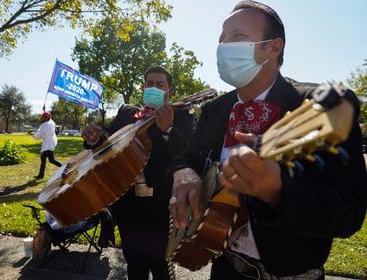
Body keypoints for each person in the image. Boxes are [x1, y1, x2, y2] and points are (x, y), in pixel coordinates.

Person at [168, 1, 367, 279]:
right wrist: (183, 172)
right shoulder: (214, 110)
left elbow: (349, 214)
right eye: (221, 40)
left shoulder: (323, 107)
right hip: (224, 269)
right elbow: (185, 157)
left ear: (274, 47)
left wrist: (277, 190)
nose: (224, 47)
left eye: (237, 37)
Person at [81, 66, 195, 279]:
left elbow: (186, 153)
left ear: (169, 91)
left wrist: (167, 129)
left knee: (161, 265)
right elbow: (108, 144)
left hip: (162, 205)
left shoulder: (181, 115)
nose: (154, 87)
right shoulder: (126, 113)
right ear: (142, 87)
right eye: (149, 83)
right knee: (134, 264)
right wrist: (95, 138)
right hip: (128, 205)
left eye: (160, 84)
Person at [33, 111, 62, 179]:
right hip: (51, 143)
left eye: (43, 117)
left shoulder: (43, 126)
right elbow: (49, 119)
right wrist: (44, 110)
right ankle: (41, 175)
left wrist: (34, 136)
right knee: (45, 158)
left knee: (50, 160)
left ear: (46, 118)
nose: (41, 118)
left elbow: (38, 135)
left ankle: (63, 167)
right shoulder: (51, 122)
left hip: (48, 145)